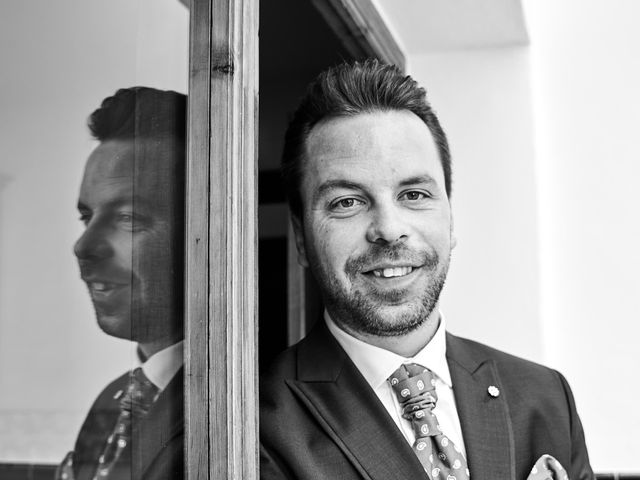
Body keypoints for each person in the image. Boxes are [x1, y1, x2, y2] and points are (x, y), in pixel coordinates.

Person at [260, 60, 594, 480]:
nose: (389, 230)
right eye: (347, 202)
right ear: (302, 237)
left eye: (414, 194)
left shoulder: (545, 398)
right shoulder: (254, 426)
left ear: (450, 218)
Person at [57, 87, 186, 480]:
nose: (84, 246)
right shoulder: (110, 403)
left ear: (204, 230)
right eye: (87, 217)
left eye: (129, 217)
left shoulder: (254, 410)